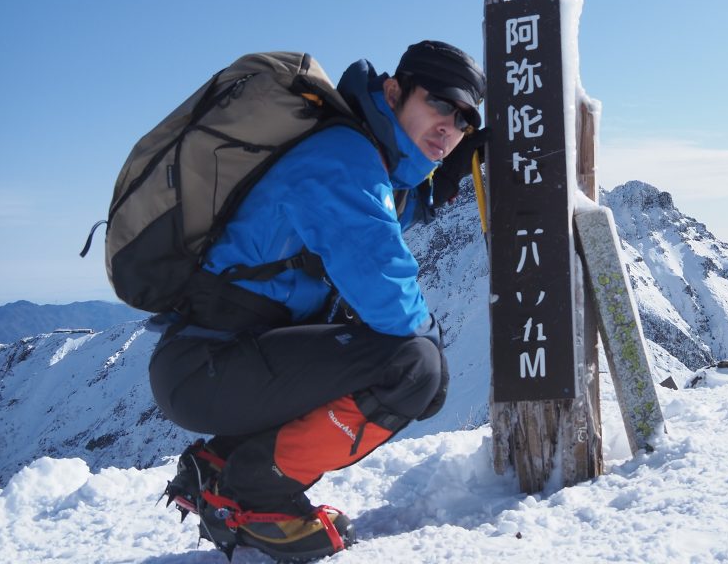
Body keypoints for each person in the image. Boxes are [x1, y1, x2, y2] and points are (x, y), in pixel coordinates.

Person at [148, 40, 487, 561]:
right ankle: (255, 493)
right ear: (394, 91)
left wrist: (438, 186)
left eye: (464, 119)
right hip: (211, 365)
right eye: (440, 103)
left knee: (399, 360)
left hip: (217, 356)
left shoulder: (354, 153)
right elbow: (388, 296)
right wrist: (430, 363)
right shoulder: (342, 161)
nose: (450, 126)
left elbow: (372, 214)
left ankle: (220, 466)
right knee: (413, 366)